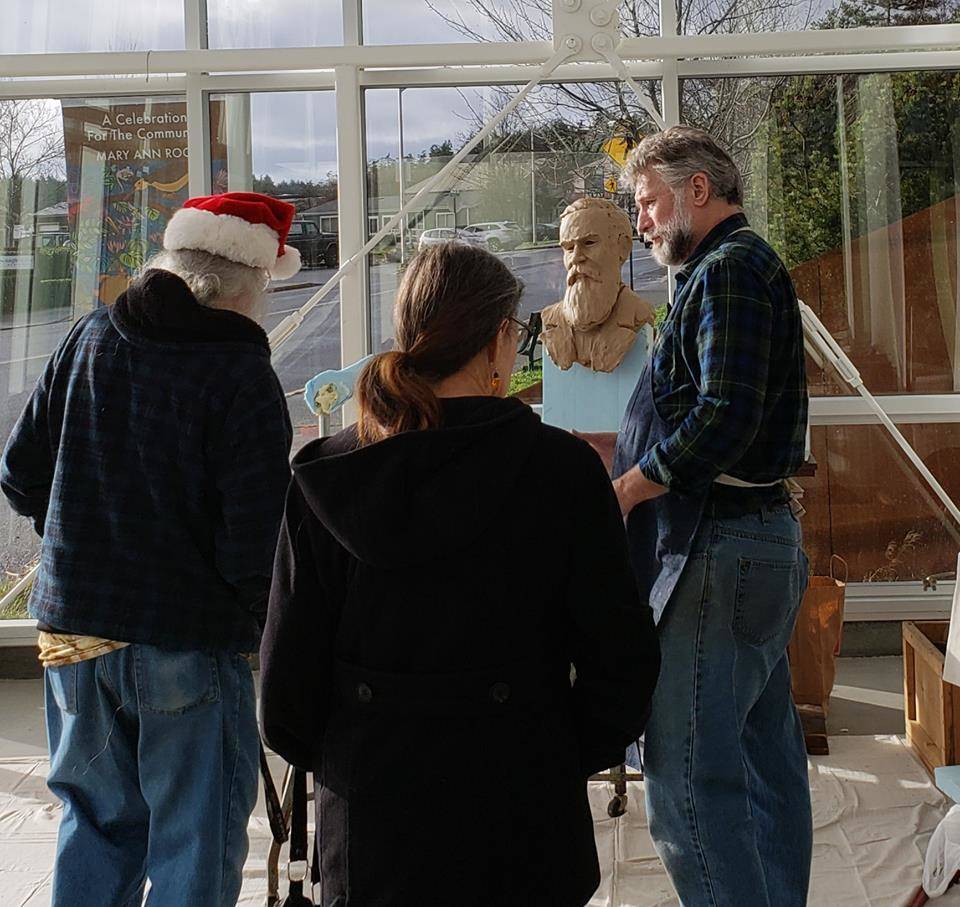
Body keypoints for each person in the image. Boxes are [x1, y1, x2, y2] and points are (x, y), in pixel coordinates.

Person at [259, 242, 660, 907]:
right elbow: (621, 665)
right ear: (499, 341)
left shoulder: (329, 477)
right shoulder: (562, 474)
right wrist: (549, 754)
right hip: (525, 830)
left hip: (372, 840)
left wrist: (359, 760)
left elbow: (284, 702)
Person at [1, 191, 298, 906]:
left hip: (72, 633)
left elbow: (19, 471)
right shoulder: (240, 375)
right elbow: (252, 546)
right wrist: (278, 637)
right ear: (243, 287)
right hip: (184, 643)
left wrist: (87, 542)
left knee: (97, 827)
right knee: (194, 840)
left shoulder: (88, 336)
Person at [612, 126, 812, 906]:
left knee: (688, 778)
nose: (643, 222)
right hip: (748, 543)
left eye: (650, 201)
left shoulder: (728, 269)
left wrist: (632, 485)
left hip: (721, 546)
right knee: (764, 763)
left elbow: (726, 415)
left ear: (699, 190)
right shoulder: (724, 269)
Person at [541, 196, 654, 373]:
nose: (576, 257)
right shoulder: (551, 319)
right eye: (569, 248)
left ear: (622, 248)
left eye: (589, 243)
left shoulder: (639, 314)